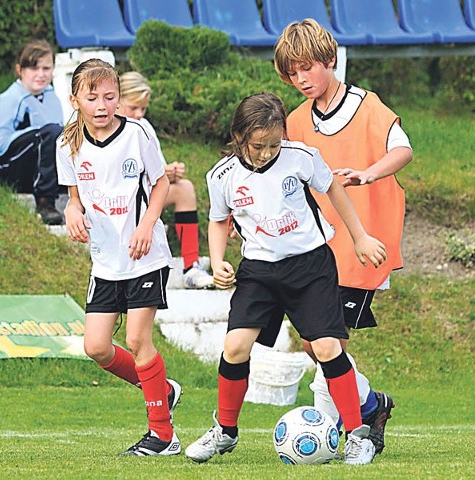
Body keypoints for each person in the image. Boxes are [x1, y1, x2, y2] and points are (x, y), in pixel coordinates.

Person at [184, 92, 387, 465]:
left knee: (326, 348)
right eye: (258, 145)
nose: (266, 152)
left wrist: (359, 237)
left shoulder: (301, 157)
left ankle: (357, 436)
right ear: (239, 136)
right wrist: (216, 262)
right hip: (259, 272)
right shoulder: (222, 175)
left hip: (310, 267)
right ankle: (225, 432)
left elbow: (334, 190)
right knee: (234, 348)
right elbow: (218, 220)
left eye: (274, 144)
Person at [274, 19, 414, 454]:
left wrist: (368, 174)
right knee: (316, 344)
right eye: (291, 73)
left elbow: (403, 149)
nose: (300, 80)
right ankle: (369, 407)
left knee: (326, 342)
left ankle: (344, 430)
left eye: (307, 68)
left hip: (361, 246)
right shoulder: (296, 122)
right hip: (314, 250)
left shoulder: (368, 107)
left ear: (330, 61)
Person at [56, 58, 182, 457]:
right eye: (92, 97)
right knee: (96, 347)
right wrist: (71, 213)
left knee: (136, 339)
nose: (102, 105)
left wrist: (147, 225)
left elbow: (160, 183)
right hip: (105, 260)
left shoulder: (138, 133)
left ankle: (163, 436)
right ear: (76, 99)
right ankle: (162, 390)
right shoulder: (67, 144)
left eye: (110, 97)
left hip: (145, 256)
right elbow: (74, 201)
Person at [117, 71, 214, 289]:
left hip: (145, 194)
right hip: (116, 200)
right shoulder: (107, 127)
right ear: (118, 100)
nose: (140, 114)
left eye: (143, 108)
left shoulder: (144, 127)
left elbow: (156, 171)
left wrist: (168, 173)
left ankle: (192, 267)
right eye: (133, 107)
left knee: (185, 188)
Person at [0, 40, 64, 225]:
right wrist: (38, 134)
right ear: (20, 70)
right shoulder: (11, 98)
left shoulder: (52, 97)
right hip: (9, 169)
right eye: (34, 69)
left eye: (46, 68)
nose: (41, 75)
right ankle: (45, 202)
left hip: (42, 170)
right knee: (49, 134)